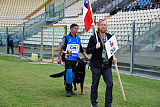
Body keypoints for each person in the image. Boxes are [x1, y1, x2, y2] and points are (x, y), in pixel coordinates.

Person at [86, 19, 117, 107]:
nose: (103, 26)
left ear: (107, 27)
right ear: (98, 26)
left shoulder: (110, 37)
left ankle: (108, 103)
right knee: (95, 84)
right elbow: (88, 50)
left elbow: (112, 50)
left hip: (107, 65)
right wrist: (95, 47)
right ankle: (94, 102)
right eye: (102, 24)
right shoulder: (93, 38)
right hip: (96, 66)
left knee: (110, 83)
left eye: (105, 25)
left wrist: (114, 57)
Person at [57, 23, 89, 97]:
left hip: (75, 59)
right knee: (69, 72)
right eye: (75, 28)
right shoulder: (66, 38)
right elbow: (60, 48)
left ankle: (69, 87)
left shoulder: (78, 38)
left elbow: (81, 49)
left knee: (74, 74)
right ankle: (68, 90)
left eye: (77, 29)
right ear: (71, 29)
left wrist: (86, 56)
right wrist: (59, 58)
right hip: (67, 58)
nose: (76, 30)